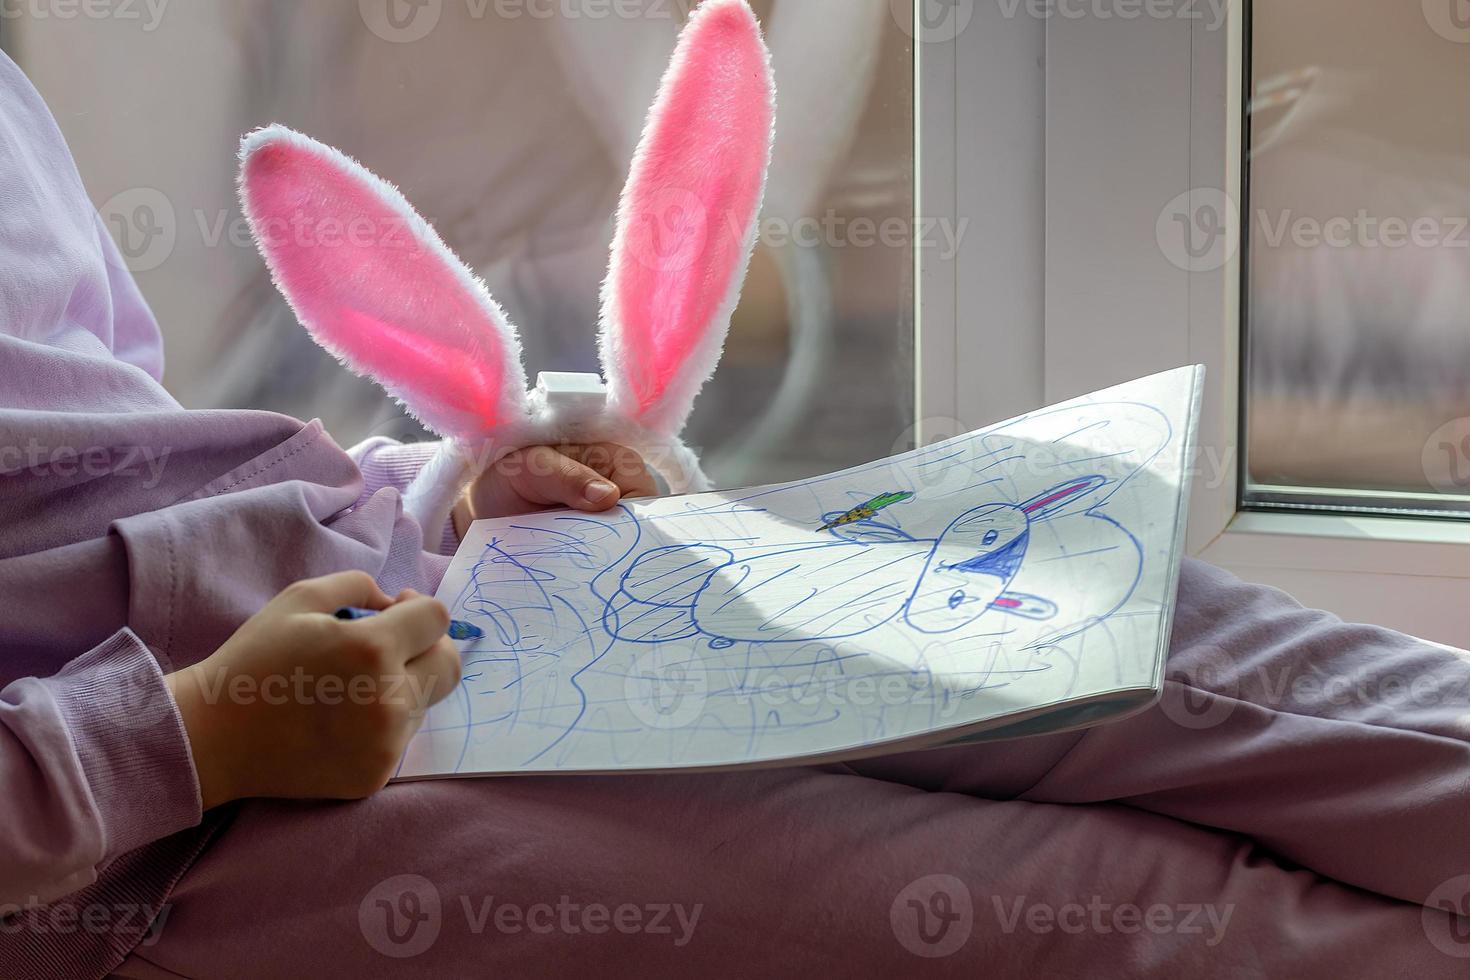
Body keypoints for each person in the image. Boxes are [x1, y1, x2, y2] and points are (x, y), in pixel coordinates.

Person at [1, 47, 1466, 980]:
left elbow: (125, 446)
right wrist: (192, 736)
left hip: (383, 598)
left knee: (1158, 641)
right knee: (1067, 912)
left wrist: (458, 502)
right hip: (184, 831)